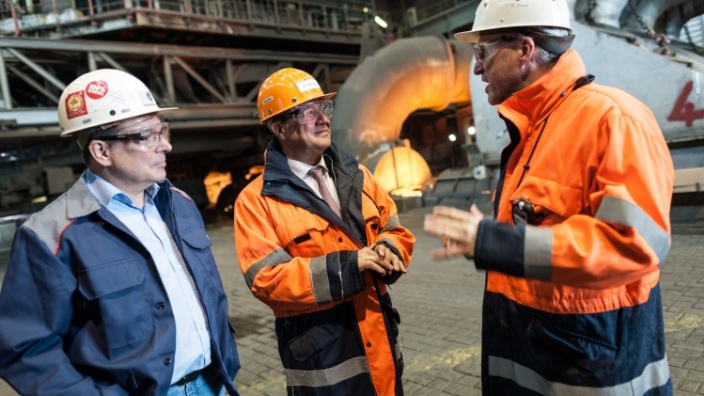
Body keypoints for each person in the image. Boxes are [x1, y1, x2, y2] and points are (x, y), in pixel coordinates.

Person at [423, 0, 674, 394]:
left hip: (595, 374)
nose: (476, 67)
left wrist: (494, 241)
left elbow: (635, 246)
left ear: (525, 50)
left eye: (482, 52)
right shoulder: (531, 130)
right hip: (538, 362)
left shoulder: (612, 119)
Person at [0, 69, 241, 395]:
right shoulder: (52, 234)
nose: (166, 145)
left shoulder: (179, 204)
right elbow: (25, 348)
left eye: (163, 131)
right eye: (148, 136)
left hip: (215, 384)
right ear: (102, 151)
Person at [234, 67, 415, 396]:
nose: (323, 119)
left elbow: (394, 228)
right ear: (278, 128)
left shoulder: (358, 175)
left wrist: (390, 249)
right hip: (324, 360)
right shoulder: (255, 201)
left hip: (382, 345)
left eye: (324, 109)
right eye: (307, 112)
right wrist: (350, 266)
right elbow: (267, 279)